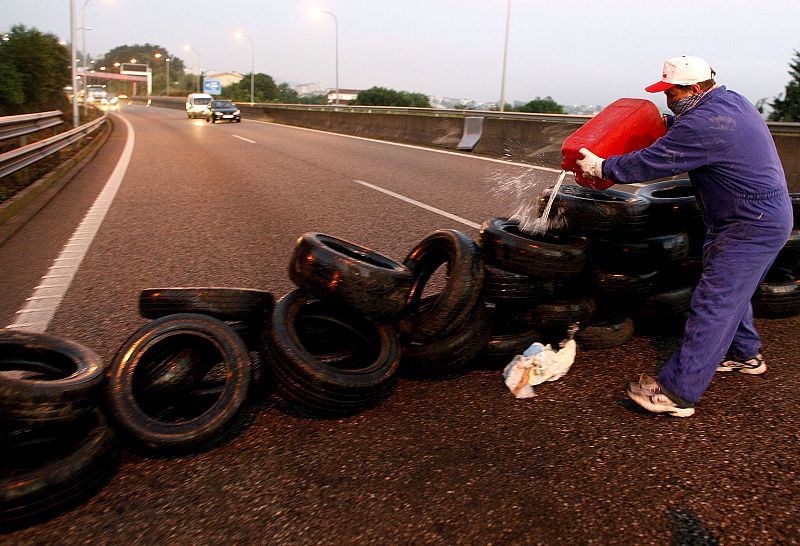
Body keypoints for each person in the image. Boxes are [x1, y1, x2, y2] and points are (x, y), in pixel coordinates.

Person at [576, 55, 792, 417]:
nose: (667, 98)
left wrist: (603, 167)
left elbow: (653, 161)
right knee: (730, 292)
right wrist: (670, 122)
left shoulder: (704, 125)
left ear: (692, 88)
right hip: (750, 217)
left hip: (749, 224)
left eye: (671, 93)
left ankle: (677, 393)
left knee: (714, 301)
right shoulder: (731, 101)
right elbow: (698, 129)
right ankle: (745, 354)